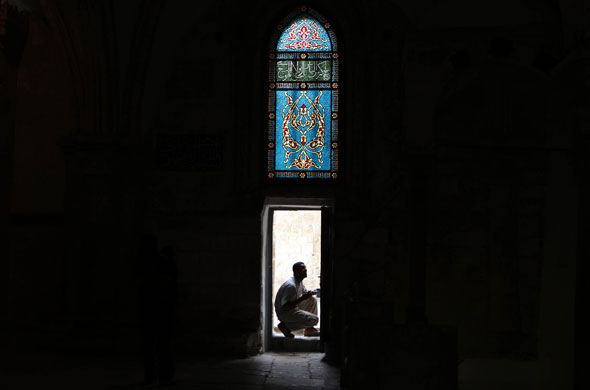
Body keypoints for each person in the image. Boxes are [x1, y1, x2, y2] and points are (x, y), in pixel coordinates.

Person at [274, 262, 321, 337]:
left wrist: (316, 292)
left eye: (305, 268)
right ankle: (286, 327)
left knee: (312, 300)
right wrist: (303, 298)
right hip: (284, 313)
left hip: (291, 308)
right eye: (303, 269)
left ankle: (309, 330)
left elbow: (305, 294)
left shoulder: (299, 282)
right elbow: (285, 306)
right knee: (314, 319)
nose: (306, 270)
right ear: (296, 272)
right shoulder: (291, 286)